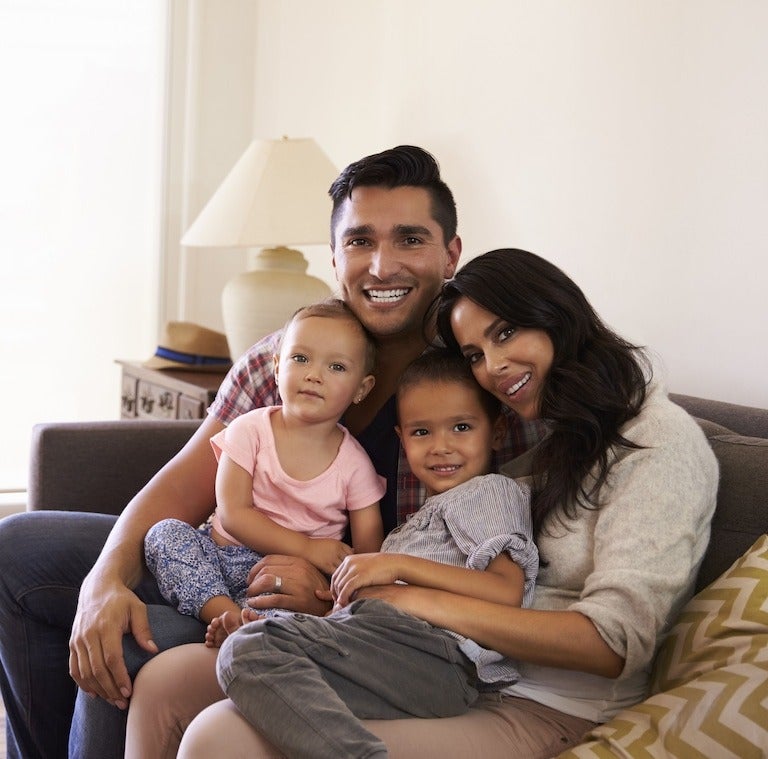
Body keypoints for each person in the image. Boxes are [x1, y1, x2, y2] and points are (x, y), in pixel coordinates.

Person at [0, 146, 543, 759]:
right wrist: (103, 583)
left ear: (450, 254)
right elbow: (179, 491)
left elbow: (506, 570)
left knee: (130, 642)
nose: (381, 265)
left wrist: (331, 592)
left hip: (334, 619)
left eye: (410, 240)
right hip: (220, 559)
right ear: (334, 255)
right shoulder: (280, 359)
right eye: (360, 241)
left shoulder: (480, 380)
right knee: (17, 550)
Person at [160, 247, 718, 758]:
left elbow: (613, 644)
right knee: (170, 683)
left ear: (557, 315)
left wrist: (406, 595)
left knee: (220, 734)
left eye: (506, 333)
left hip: (547, 704)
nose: (493, 367)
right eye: (475, 353)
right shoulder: (545, 449)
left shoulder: (657, 443)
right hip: (442, 660)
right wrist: (331, 600)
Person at [124, 347, 539, 758]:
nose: (440, 447)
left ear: (497, 432)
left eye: (461, 427)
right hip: (374, 642)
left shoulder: (489, 491)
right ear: (402, 439)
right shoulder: (416, 524)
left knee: (246, 651)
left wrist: (394, 564)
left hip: (436, 659)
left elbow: (506, 591)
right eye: (421, 432)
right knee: (247, 648)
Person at [144, 299, 385, 648]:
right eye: (300, 358)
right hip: (219, 555)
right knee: (164, 534)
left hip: (285, 582)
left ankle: (249, 627)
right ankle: (226, 614)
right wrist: (308, 547)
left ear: (362, 388)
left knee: (299, 618)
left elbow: (367, 554)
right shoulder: (249, 430)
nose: (313, 375)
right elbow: (234, 513)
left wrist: (331, 583)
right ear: (276, 367)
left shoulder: (355, 465)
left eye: (336, 367)